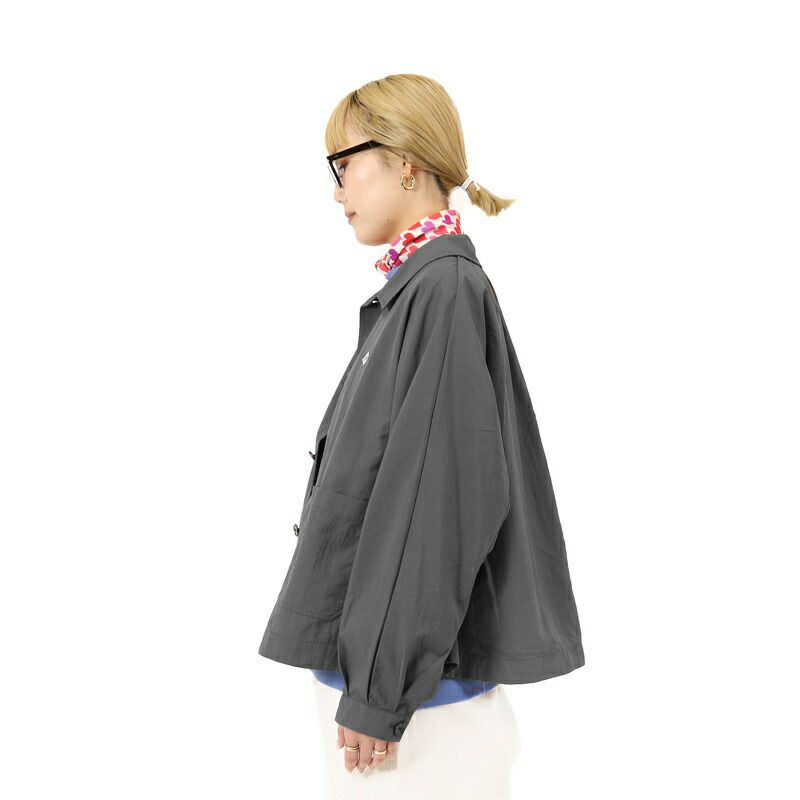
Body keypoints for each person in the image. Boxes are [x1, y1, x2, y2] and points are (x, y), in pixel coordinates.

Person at [257, 74, 585, 799]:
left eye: (345, 165)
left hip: (414, 718)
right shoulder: (417, 292)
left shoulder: (443, 292)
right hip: (392, 700)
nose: (337, 191)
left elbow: (435, 508)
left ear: (405, 162)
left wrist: (380, 692)